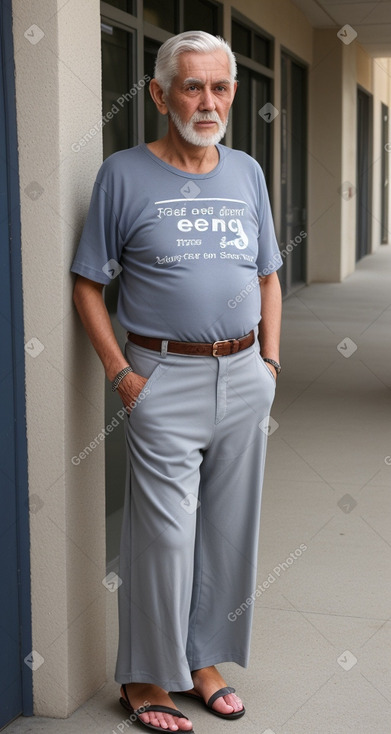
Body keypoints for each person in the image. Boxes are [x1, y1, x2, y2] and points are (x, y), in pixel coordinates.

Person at [72, 30, 282, 733]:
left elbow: (267, 275)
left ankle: (203, 662)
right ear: (160, 94)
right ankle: (143, 677)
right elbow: (87, 283)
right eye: (191, 86)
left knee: (228, 532)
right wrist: (123, 375)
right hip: (162, 377)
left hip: (244, 372)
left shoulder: (246, 172)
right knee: (162, 537)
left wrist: (270, 364)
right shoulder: (123, 175)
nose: (207, 100)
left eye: (219, 86)